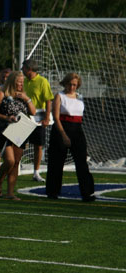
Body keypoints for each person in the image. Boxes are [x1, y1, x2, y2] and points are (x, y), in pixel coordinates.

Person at [46, 73, 95, 202]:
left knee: (82, 163)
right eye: (70, 84)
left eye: (74, 85)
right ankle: (53, 192)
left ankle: (87, 193)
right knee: (56, 163)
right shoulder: (59, 96)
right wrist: (64, 135)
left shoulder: (80, 98)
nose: (72, 87)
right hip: (61, 130)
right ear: (65, 83)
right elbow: (56, 118)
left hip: (77, 130)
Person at [0, 71, 36, 200]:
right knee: (9, 160)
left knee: (16, 162)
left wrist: (26, 99)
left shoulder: (23, 95)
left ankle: (10, 192)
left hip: (20, 130)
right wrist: (6, 117)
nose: (21, 84)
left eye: (22, 82)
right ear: (12, 82)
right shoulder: (2, 93)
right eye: (19, 82)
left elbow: (33, 111)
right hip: (4, 130)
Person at [22, 58, 54, 182]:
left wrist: (46, 117)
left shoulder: (42, 81)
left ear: (29, 69)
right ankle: (15, 167)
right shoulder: (23, 81)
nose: (22, 70)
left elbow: (48, 100)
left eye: (23, 68)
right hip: (24, 116)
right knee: (18, 143)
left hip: (38, 118)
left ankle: (36, 172)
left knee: (38, 146)